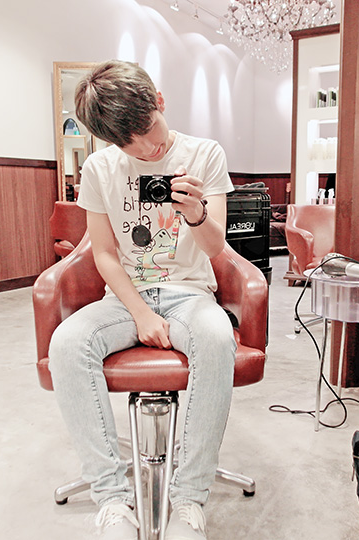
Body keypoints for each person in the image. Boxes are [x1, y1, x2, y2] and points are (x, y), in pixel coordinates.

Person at [48, 60, 237, 540]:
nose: (146, 148)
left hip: (190, 293)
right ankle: (112, 500)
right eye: (127, 144)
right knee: (67, 343)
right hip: (125, 297)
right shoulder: (99, 167)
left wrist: (196, 214)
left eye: (148, 130)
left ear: (160, 101)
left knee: (217, 339)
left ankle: (188, 501)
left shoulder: (205, 154)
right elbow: (104, 254)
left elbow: (216, 248)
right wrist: (141, 312)